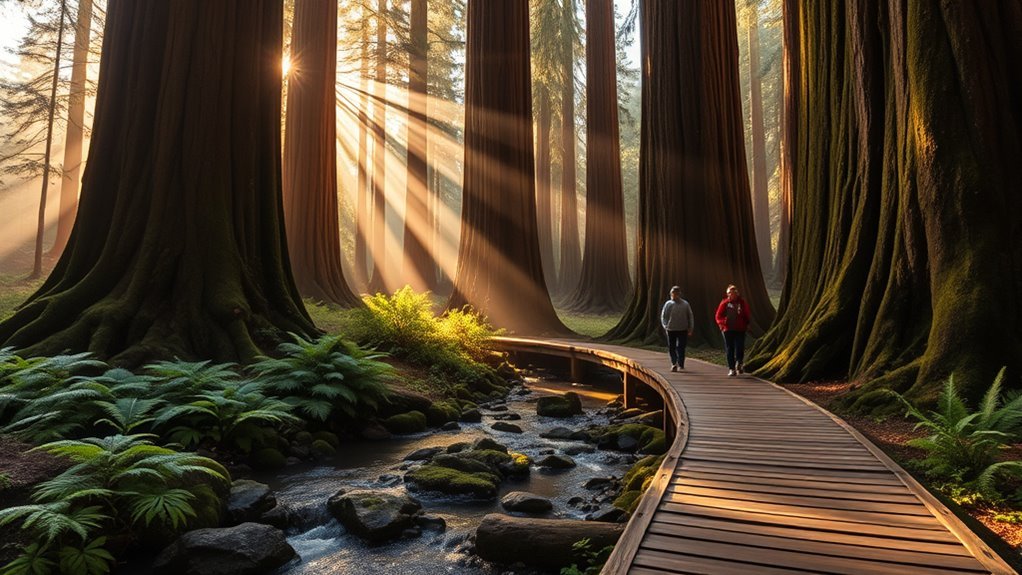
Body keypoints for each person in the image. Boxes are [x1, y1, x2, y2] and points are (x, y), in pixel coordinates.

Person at [715, 284, 750, 377]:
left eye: (734, 292)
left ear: (737, 293)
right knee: (730, 348)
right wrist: (723, 323)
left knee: (740, 346)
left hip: (740, 329)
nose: (732, 294)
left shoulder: (742, 303)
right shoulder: (724, 303)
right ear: (727, 294)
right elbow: (718, 316)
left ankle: (739, 362)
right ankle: (731, 368)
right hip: (727, 329)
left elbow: (747, 314)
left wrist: (746, 323)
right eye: (730, 293)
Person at [661, 286, 694, 372]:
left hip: (682, 329)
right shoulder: (668, 304)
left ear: (679, 294)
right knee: (672, 347)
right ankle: (674, 363)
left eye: (676, 293)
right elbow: (664, 316)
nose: (674, 295)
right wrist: (665, 326)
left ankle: (681, 363)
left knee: (681, 347)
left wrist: (690, 327)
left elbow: (690, 316)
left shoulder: (685, 304)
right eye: (672, 293)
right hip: (671, 329)